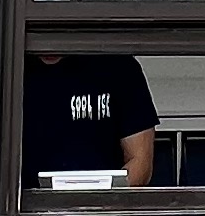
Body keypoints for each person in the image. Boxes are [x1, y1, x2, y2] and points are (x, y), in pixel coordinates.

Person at [25, 45, 158, 189]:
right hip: (25, 206)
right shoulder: (8, 68)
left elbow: (140, 161)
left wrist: (105, 202)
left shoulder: (117, 66)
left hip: (106, 206)